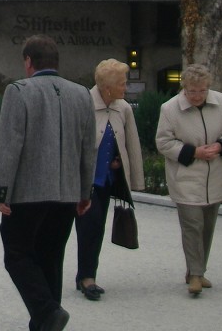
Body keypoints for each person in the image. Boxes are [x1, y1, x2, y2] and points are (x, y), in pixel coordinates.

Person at [0, 35, 95, 331]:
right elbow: (88, 148)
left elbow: (10, 146)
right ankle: (46, 322)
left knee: (16, 254)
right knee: (51, 257)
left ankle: (47, 311)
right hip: (67, 193)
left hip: (28, 192)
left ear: (28, 61)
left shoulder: (19, 91)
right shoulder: (82, 94)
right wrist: (85, 192)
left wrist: (3, 191)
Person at [155, 63, 222, 296]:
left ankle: (198, 271)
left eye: (202, 90)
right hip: (186, 178)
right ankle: (194, 275)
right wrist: (194, 152)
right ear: (184, 87)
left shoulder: (221, 102)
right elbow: (163, 142)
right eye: (192, 91)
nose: (197, 96)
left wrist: (221, 146)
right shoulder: (169, 108)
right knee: (192, 225)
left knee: (207, 227)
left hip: (216, 176)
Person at [73, 58, 145, 300]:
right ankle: (86, 277)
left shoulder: (122, 108)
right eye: (122, 84)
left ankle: (86, 275)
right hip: (83, 180)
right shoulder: (83, 104)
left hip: (106, 180)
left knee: (97, 227)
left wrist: (129, 172)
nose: (125, 87)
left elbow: (131, 144)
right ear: (107, 88)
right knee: (87, 227)